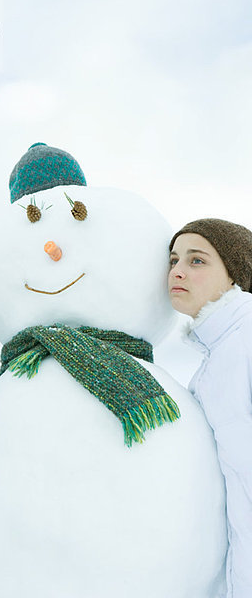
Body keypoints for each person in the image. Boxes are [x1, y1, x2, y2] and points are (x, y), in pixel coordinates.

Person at [168, 218, 252, 598]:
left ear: (236, 274)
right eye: (173, 260)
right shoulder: (213, 361)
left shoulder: (244, 341)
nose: (177, 271)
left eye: (196, 260)